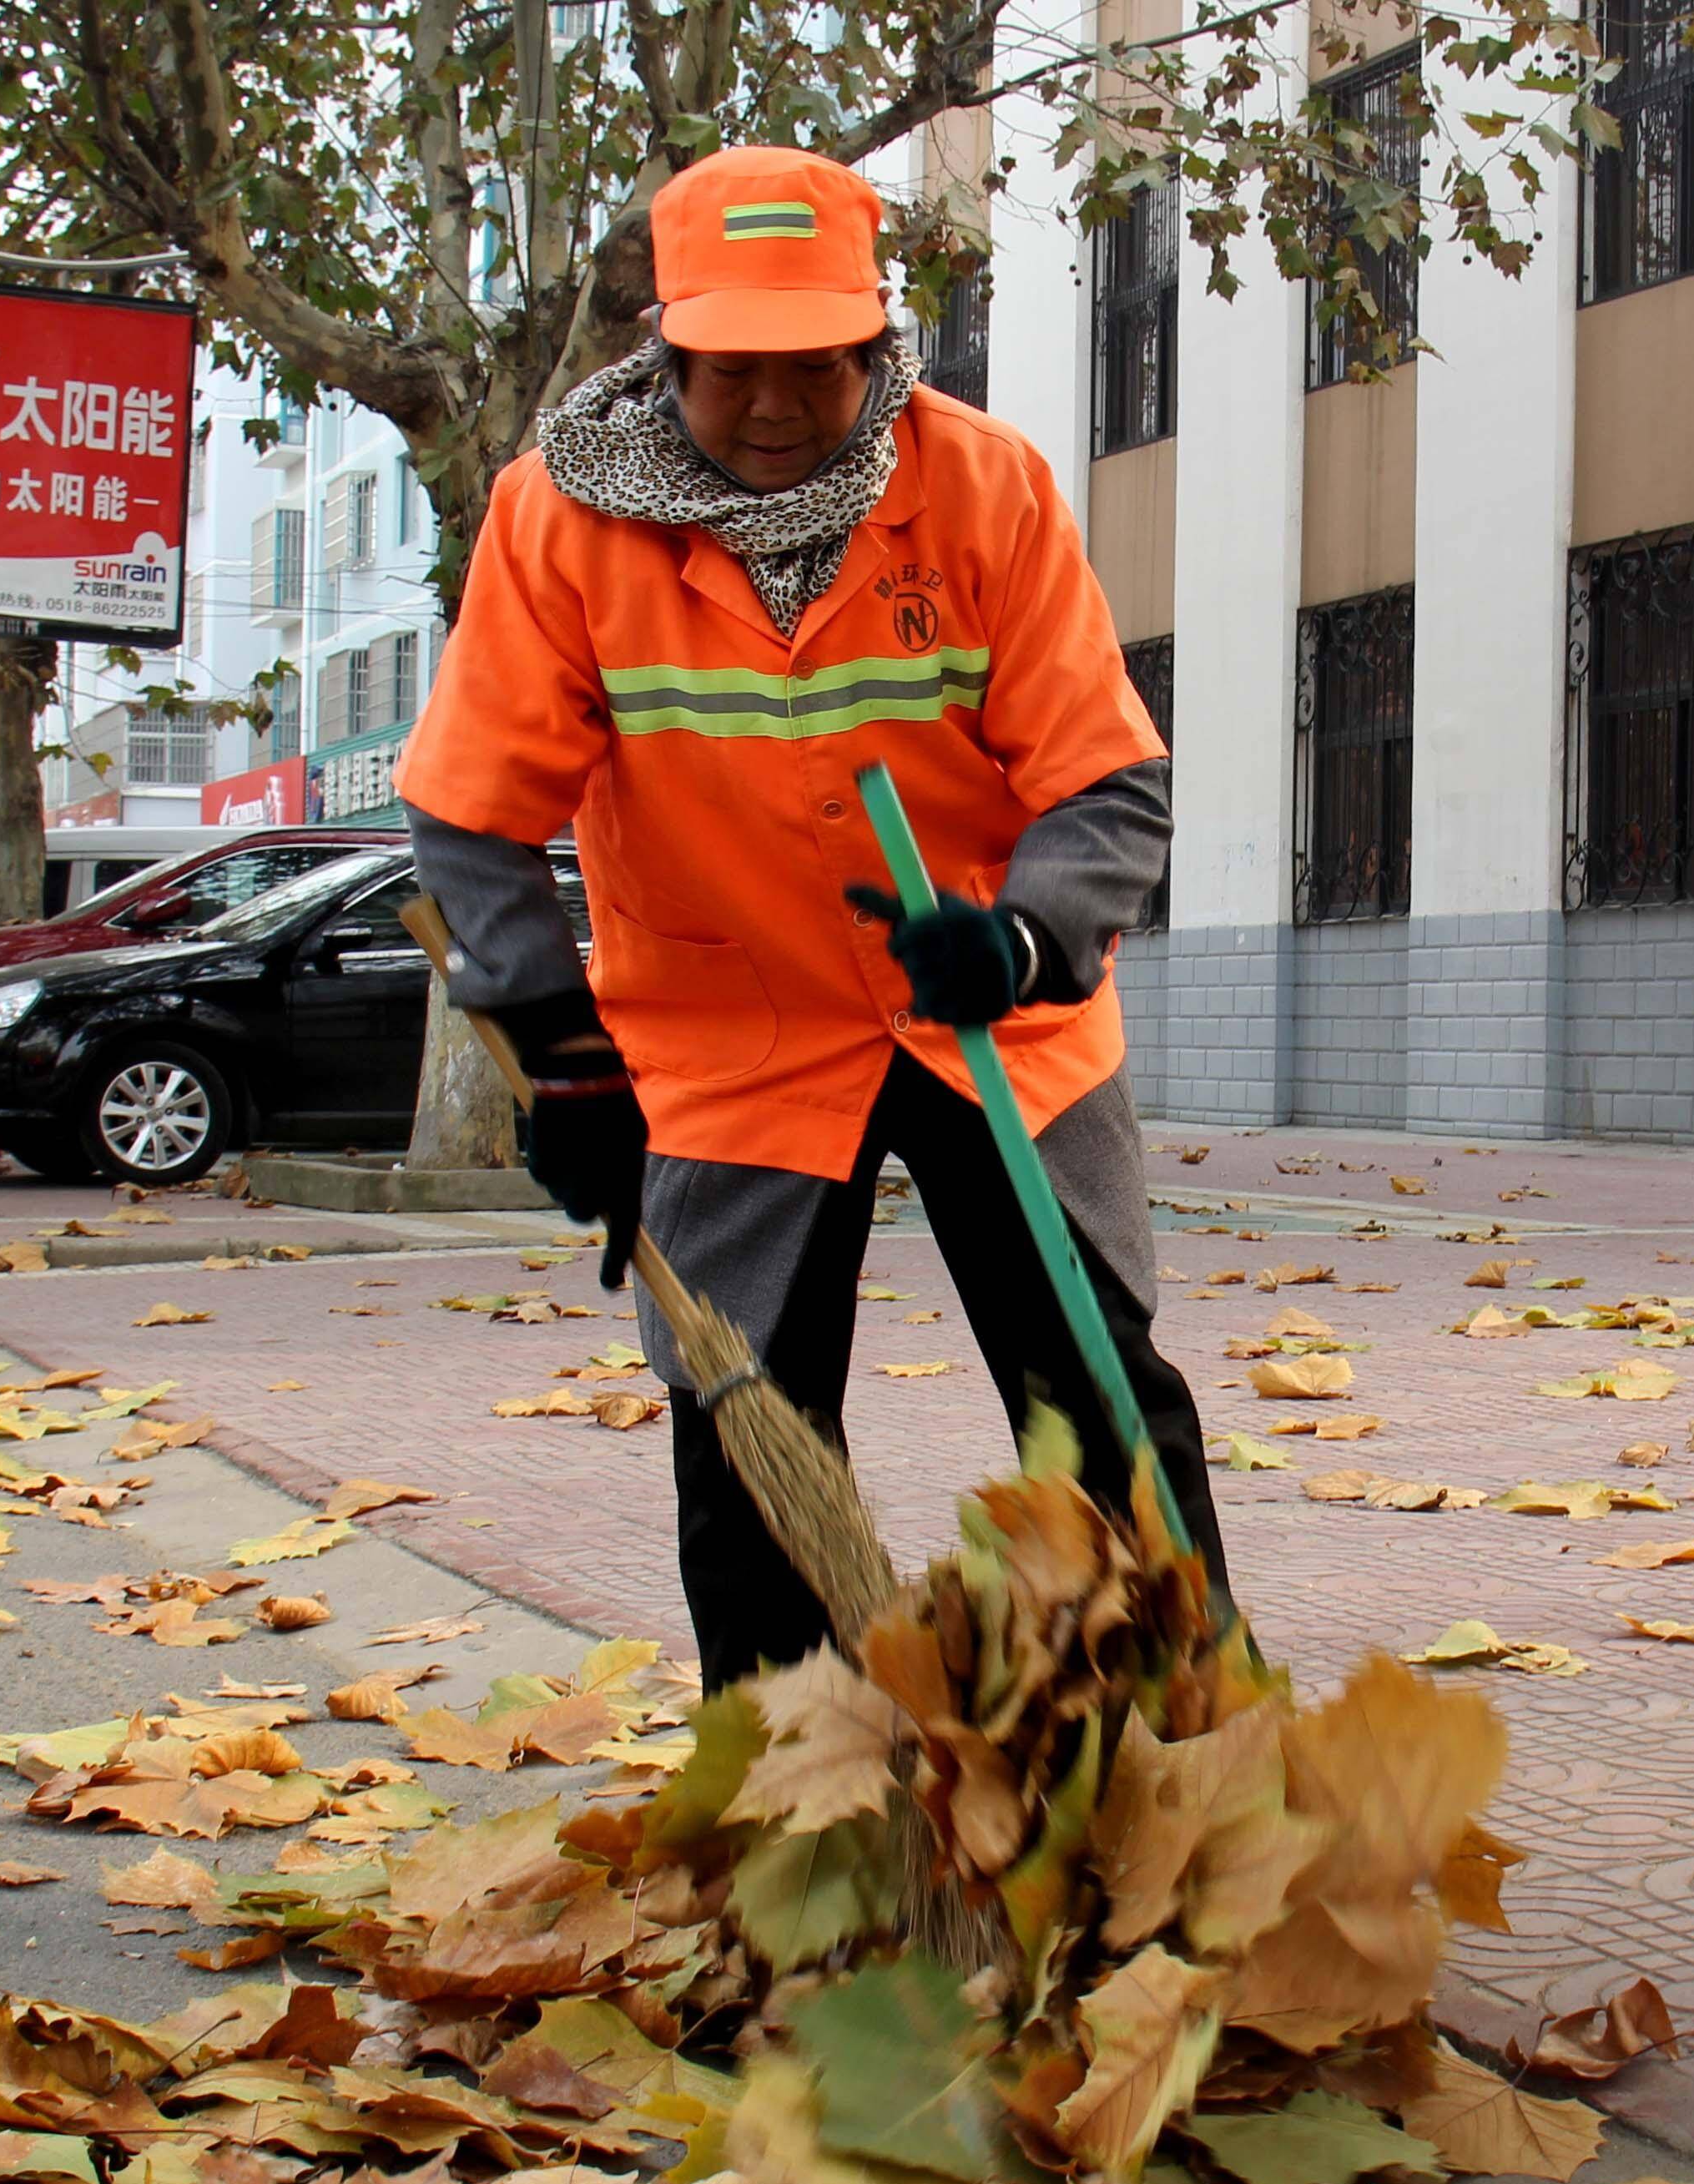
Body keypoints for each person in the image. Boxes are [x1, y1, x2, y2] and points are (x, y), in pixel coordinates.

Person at [396, 143, 1227, 1682]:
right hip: (729, 1039)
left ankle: (1169, 1759)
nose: (772, 406)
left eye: (813, 367)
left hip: (993, 1017)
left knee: (1102, 1399)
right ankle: (795, 1803)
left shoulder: (984, 484)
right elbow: (471, 811)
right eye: (729, 370)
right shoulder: (557, 521)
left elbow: (1107, 782)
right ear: (666, 345)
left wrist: (1031, 934)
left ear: (876, 345)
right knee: (750, 1430)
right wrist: (560, 1051)